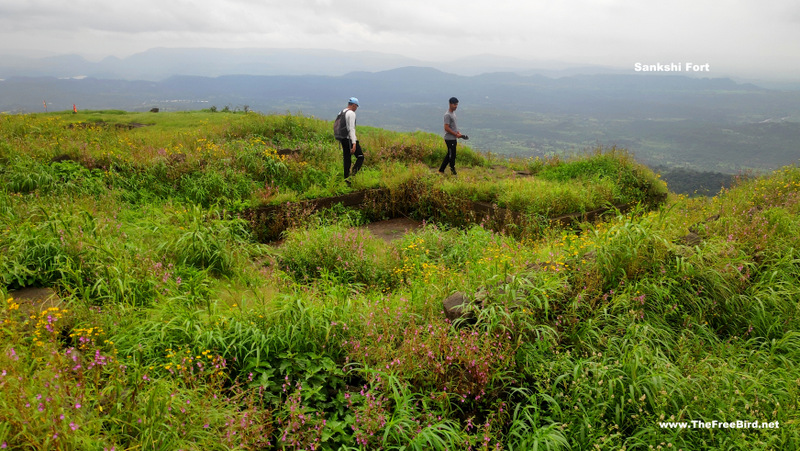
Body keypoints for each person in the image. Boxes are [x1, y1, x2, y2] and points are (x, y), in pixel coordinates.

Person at [337, 97, 364, 185]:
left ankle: (346, 180)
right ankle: (352, 176)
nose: (356, 108)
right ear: (353, 105)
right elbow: (351, 129)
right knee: (360, 157)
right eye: (356, 106)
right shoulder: (351, 113)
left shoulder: (341, 112)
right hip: (349, 139)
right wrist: (354, 143)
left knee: (347, 159)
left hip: (342, 139)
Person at [439, 97, 466, 175]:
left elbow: (452, 126)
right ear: (450, 104)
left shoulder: (453, 113)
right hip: (449, 138)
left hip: (453, 138)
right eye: (454, 104)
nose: (456, 106)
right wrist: (455, 134)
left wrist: (458, 132)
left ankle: (441, 170)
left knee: (450, 155)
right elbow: (446, 128)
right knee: (452, 155)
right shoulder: (447, 115)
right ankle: (453, 171)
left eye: (457, 104)